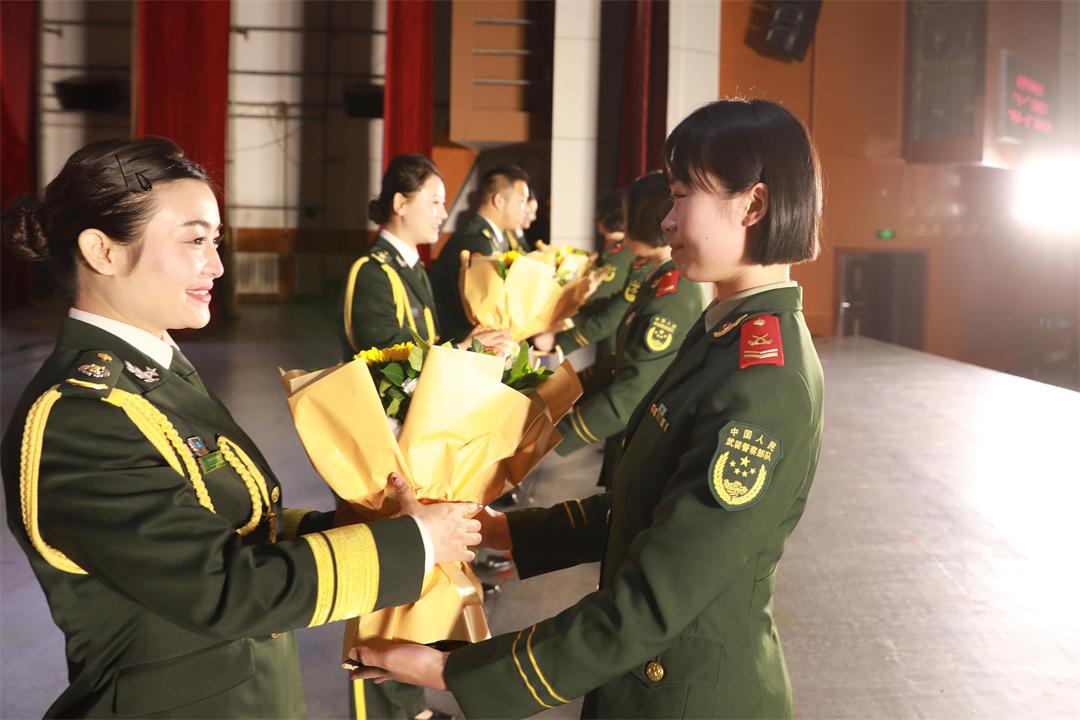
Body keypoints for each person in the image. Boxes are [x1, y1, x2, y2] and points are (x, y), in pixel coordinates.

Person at [351, 98, 825, 720]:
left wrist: (450, 671)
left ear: (753, 205)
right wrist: (493, 528)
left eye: (682, 197)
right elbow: (646, 506)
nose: (668, 221)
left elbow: (652, 601)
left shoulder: (764, 379)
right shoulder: (725, 334)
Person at [0, 137, 481, 719]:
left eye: (216, 241)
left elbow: (235, 522)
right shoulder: (79, 415)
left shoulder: (155, 372)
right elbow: (222, 588)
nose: (217, 265)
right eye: (194, 240)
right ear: (102, 251)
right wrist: (415, 543)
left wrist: (370, 524)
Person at [533, 172, 704, 478]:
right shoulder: (657, 277)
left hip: (646, 443)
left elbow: (631, 394)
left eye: (628, 218)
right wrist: (556, 391)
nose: (622, 227)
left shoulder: (672, 295)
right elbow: (623, 360)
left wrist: (547, 439)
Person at [339, 154, 510, 361]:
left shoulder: (413, 266)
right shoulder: (371, 271)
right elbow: (385, 357)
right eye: (435, 202)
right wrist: (463, 348)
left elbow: (431, 341)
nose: (443, 214)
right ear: (400, 204)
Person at [430, 165, 530, 344]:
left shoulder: (495, 238)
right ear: (499, 200)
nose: (526, 209)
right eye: (521, 201)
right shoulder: (474, 241)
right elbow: (480, 306)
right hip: (463, 344)